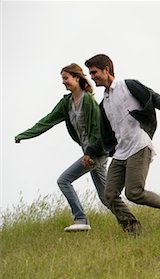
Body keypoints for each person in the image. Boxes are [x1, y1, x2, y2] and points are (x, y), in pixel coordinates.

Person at [83, 54, 160, 235]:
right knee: (109, 195)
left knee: (134, 192)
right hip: (121, 152)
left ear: (106, 70)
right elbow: (107, 136)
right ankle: (134, 230)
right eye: (90, 73)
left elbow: (154, 98)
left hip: (139, 145)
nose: (92, 77)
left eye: (94, 72)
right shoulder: (104, 103)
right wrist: (90, 151)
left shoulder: (128, 86)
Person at [15, 63, 109, 232]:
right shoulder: (67, 103)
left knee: (64, 180)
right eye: (62, 79)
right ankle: (130, 224)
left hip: (95, 153)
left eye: (66, 78)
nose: (63, 82)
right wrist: (24, 135)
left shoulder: (88, 101)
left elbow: (97, 129)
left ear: (77, 78)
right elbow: (47, 120)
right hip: (90, 153)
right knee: (107, 197)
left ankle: (81, 219)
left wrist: (90, 153)